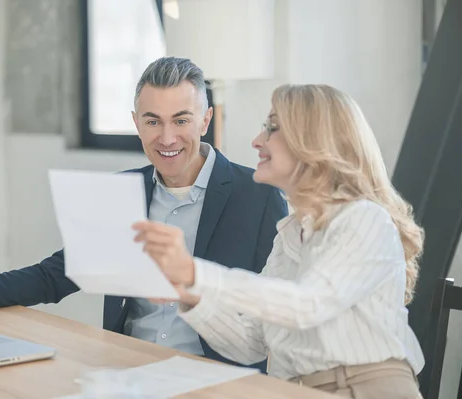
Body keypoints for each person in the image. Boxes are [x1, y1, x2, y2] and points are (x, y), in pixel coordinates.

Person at [0, 57, 288, 368]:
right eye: (152, 121)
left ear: (205, 120)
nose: (166, 137)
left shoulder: (257, 195)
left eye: (181, 120)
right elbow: (56, 274)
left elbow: (274, 308)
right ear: (136, 123)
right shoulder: (122, 191)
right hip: (127, 368)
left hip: (215, 376)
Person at [133, 84, 425, 398]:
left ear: (313, 141)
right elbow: (251, 344)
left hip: (360, 389)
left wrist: (195, 272)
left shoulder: (363, 219)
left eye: (272, 128)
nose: (257, 141)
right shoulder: (290, 236)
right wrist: (189, 294)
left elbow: (307, 305)